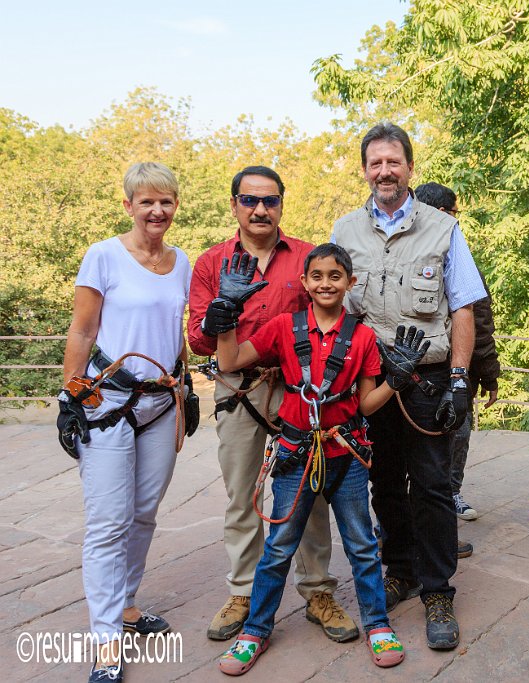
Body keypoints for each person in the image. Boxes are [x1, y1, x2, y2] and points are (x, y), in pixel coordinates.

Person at [214, 244, 421, 673]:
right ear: (305, 282)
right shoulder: (283, 328)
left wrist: (396, 382)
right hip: (295, 454)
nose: (326, 283)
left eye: (335, 276)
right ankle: (256, 629)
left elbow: (365, 405)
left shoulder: (361, 338)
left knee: (363, 546)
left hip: (343, 454)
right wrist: (227, 315)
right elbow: (230, 360)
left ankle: (377, 624)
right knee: (278, 548)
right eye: (317, 276)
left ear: (350, 282)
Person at [330, 122, 487, 650]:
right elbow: (335, 306)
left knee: (434, 484)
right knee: (384, 483)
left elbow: (463, 304)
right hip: (372, 379)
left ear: (410, 168)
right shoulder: (345, 229)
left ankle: (438, 589)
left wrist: (460, 382)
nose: (384, 171)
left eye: (393, 162)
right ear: (364, 170)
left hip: (428, 378)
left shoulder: (442, 228)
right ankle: (399, 568)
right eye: (375, 163)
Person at [188, 167, 352, 644]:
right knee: (243, 492)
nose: (260, 209)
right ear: (234, 204)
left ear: (282, 204)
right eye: (249, 199)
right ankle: (243, 590)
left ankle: (318, 589)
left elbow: (331, 313)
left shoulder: (306, 257)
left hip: (300, 386)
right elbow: (197, 338)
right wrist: (222, 315)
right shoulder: (212, 262)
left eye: (270, 200)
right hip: (238, 385)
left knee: (309, 488)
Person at [59, 162, 192, 683]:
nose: (157, 210)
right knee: (108, 522)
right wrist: (71, 396)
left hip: (161, 402)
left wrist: (183, 383)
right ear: (129, 205)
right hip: (107, 402)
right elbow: (83, 328)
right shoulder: (104, 256)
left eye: (166, 201)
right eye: (147, 201)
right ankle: (106, 640)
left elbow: (172, 327)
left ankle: (128, 605)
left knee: (143, 512)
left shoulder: (181, 263)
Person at [415, 182, 501, 547]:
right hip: (425, 370)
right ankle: (431, 513)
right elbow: (479, 322)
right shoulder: (428, 251)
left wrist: (484, 372)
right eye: (453, 213)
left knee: (448, 437)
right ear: (444, 214)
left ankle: (442, 502)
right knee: (445, 439)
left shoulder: (456, 255)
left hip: (439, 369)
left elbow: (476, 321)